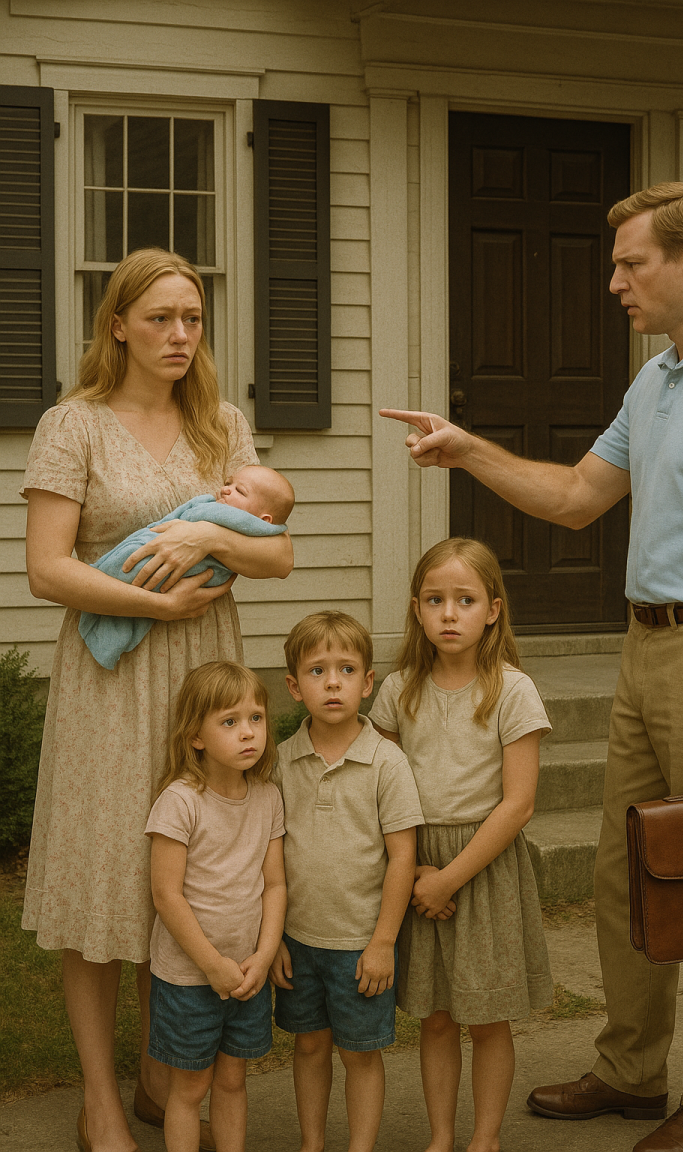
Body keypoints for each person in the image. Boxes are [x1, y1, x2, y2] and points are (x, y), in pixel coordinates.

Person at [381, 183, 683, 1152]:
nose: (612, 284)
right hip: (647, 644)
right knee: (627, 874)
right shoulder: (659, 380)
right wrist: (468, 452)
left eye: (629, 264)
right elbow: (577, 496)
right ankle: (634, 1070)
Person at [21, 246, 293, 1152]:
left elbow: (276, 552)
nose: (180, 336)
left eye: (194, 320)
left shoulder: (222, 423)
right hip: (110, 678)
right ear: (118, 327)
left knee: (195, 871)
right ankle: (101, 1094)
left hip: (205, 674)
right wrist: (154, 598)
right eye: (162, 319)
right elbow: (45, 568)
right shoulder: (74, 424)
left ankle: (161, 1077)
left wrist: (204, 532)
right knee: (104, 879)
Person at [368, 537, 553, 1152]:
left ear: (493, 610)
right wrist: (417, 867)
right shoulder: (397, 691)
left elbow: (518, 803)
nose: (449, 614)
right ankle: (441, 1138)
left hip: (485, 866)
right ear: (416, 609)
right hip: (415, 861)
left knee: (486, 1016)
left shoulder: (512, 690)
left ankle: (485, 1139)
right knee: (438, 1017)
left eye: (465, 600)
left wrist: (449, 879)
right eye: (435, 600)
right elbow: (383, 787)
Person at [268, 611, 424, 1152]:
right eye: (316, 671)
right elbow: (269, 860)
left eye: (346, 669)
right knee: (309, 1047)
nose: (332, 682)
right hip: (298, 942)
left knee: (360, 1053)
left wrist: (384, 942)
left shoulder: (387, 762)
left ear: (368, 682)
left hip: (360, 944)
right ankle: (313, 1143)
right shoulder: (282, 763)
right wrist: (274, 940)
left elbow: (403, 857)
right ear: (293, 687)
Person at [145, 661, 286, 1152]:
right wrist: (212, 965)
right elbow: (166, 895)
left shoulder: (268, 798)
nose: (248, 733)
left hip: (246, 974)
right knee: (190, 1089)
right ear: (196, 737)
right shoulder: (180, 802)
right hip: (189, 978)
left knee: (232, 1083)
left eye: (256, 718)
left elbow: (275, 886)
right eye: (230, 722)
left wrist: (263, 957)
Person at [78, 465, 295, 668]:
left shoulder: (247, 522)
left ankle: (105, 575)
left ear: (264, 519)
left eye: (239, 490)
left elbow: (282, 561)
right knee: (134, 565)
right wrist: (160, 604)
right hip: (106, 598)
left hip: (201, 632)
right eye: (227, 483)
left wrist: (206, 536)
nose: (224, 490)